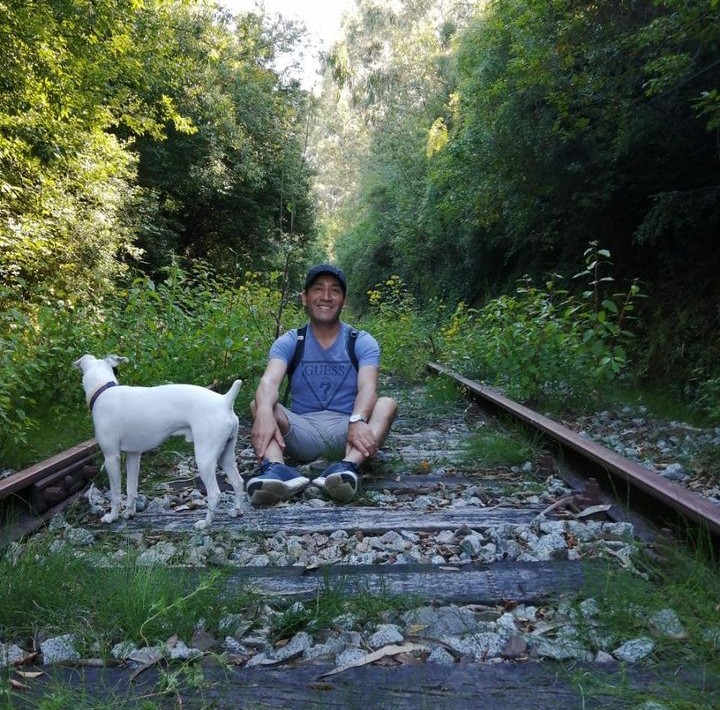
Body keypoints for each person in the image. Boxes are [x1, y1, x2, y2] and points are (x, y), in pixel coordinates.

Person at [248, 263, 398, 506]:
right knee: (260, 403)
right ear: (304, 298)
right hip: (301, 431)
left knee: (386, 403)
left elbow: (368, 387)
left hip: (348, 432)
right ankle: (276, 470)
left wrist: (358, 419)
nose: (326, 297)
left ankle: (347, 468)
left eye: (335, 291)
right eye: (318, 289)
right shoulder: (290, 341)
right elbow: (269, 380)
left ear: (344, 300)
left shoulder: (361, 341)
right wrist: (264, 411)